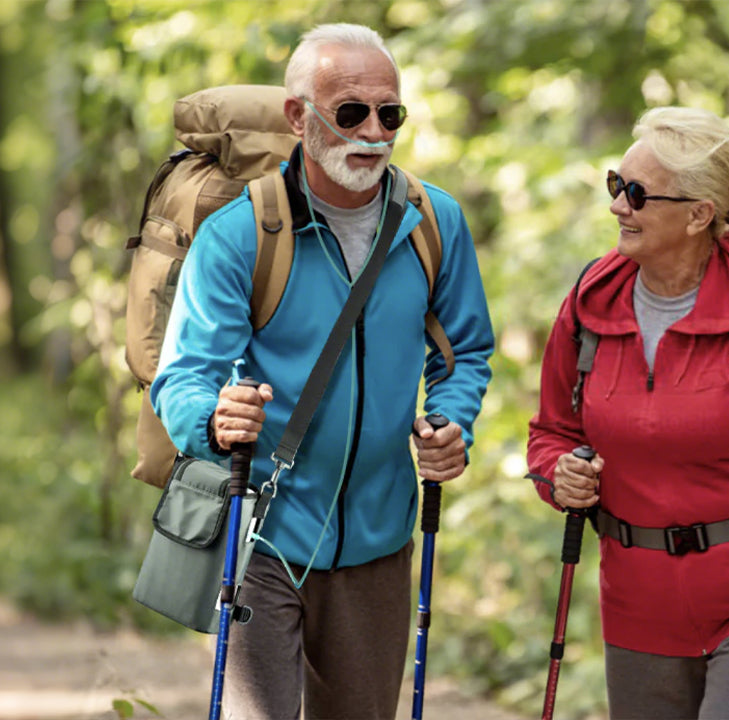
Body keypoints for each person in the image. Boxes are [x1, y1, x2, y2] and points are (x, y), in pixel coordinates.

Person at [150, 23, 494, 719]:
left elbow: (466, 352)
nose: (373, 131)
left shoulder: (435, 222)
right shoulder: (242, 235)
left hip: (380, 535)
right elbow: (182, 376)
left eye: (388, 113)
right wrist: (213, 418)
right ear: (298, 117)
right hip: (265, 530)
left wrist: (451, 421)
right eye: (350, 113)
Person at [527, 107, 729, 719]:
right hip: (639, 602)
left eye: (639, 193)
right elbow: (550, 435)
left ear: (700, 214)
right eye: (616, 185)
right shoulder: (589, 306)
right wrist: (558, 475)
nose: (619, 205)